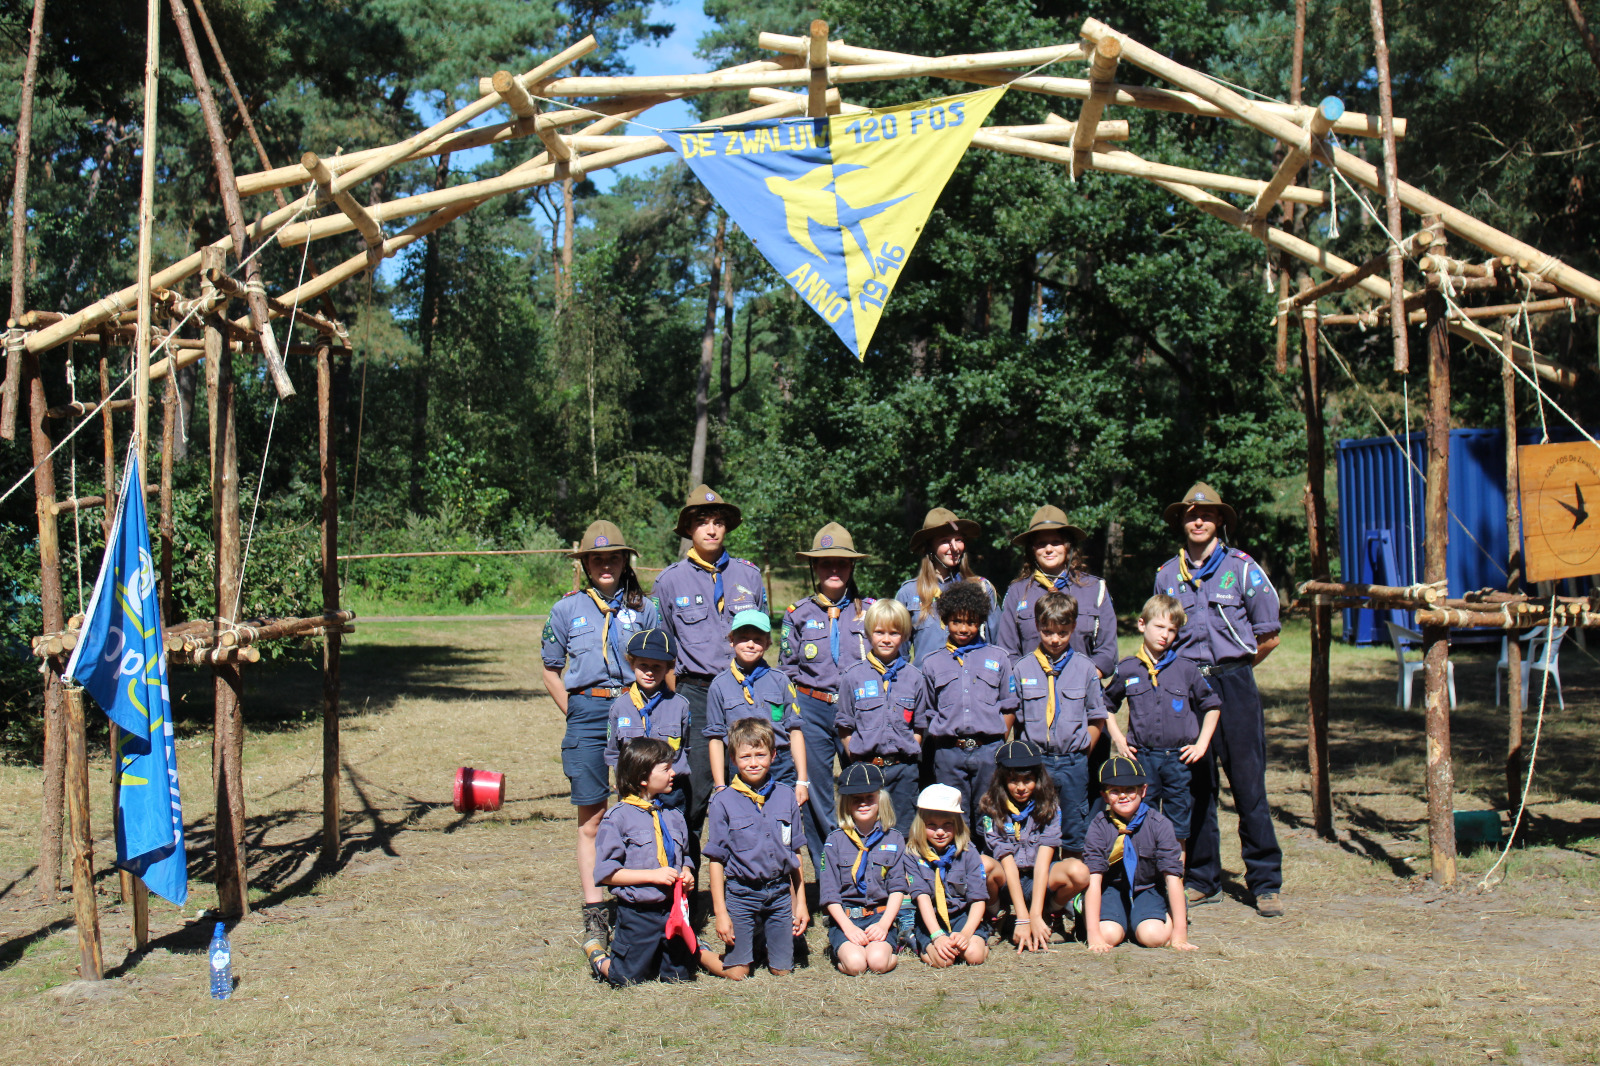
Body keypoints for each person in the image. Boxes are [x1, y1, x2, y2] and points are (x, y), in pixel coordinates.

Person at [1154, 482, 1284, 917]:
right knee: (1197, 785)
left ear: (1220, 522)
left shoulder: (1243, 569)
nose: (1198, 520)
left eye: (1207, 515)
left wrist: (1238, 670)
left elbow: (1269, 636)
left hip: (1234, 685)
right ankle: (1203, 878)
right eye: (1191, 514)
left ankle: (1265, 881)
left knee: (1248, 784)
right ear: (1181, 522)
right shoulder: (1167, 575)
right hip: (1188, 688)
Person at [539, 520, 662, 945]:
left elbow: (666, 665)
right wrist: (575, 711)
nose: (605, 564)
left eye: (613, 557)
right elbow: (551, 669)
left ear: (624, 561)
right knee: (591, 818)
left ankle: (644, 898)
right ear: (586, 564)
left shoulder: (646, 608)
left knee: (643, 808)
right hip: (588, 712)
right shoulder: (565, 609)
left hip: (635, 706)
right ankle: (595, 909)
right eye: (597, 558)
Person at [653, 485, 767, 853]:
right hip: (696, 694)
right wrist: (677, 697)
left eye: (718, 522)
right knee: (696, 790)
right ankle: (688, 885)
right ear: (689, 529)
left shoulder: (749, 576)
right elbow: (664, 651)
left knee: (749, 781)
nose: (712, 529)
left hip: (743, 689)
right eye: (703, 522)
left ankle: (745, 886)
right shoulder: (670, 581)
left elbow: (761, 636)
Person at [779, 522, 871, 874]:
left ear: (852, 568)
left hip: (859, 709)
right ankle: (831, 869)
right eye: (826, 563)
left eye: (842, 563)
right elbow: (786, 669)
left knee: (862, 784)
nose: (834, 570)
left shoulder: (870, 611)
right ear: (814, 568)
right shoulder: (797, 614)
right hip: (812, 708)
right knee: (815, 792)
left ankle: (864, 862)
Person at [1103, 594, 1221, 856]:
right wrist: (1119, 740)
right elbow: (1106, 706)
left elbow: (1212, 706)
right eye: (1159, 627)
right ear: (1142, 624)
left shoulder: (1186, 669)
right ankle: (1148, 880)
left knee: (1178, 824)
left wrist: (1201, 744)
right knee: (1142, 818)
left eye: (1172, 630)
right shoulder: (1128, 669)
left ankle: (1174, 883)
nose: (1165, 635)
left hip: (1178, 760)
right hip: (1142, 759)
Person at [698, 718, 807, 980]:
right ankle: (697, 950)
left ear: (773, 754)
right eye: (745, 757)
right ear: (733, 759)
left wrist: (800, 903)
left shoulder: (785, 796)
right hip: (741, 894)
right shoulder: (723, 802)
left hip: (780, 893)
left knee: (783, 970)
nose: (754, 762)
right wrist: (721, 913)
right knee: (738, 972)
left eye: (760, 755)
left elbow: (796, 854)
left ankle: (763, 940)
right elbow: (716, 860)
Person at [583, 738, 698, 985]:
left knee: (678, 977)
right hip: (638, 914)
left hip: (672, 911)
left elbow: (685, 856)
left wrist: (687, 872)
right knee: (624, 978)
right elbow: (606, 874)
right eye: (666, 769)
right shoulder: (618, 818)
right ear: (643, 777)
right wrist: (652, 875)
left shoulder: (674, 816)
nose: (673, 773)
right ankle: (597, 954)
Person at [1010, 592, 1109, 871]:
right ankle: (1044, 890)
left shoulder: (1086, 668)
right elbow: (1017, 720)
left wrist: (1083, 751)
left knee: (1074, 826)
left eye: (1063, 633)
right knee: (1038, 825)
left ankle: (1072, 889)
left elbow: (1096, 717)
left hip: (1073, 762)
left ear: (1074, 627)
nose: (1055, 639)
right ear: (1037, 627)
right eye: (1048, 631)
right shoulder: (1022, 668)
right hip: (1036, 763)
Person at [918, 581, 1017, 829]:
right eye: (957, 621)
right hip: (949, 754)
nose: (964, 629)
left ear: (981, 621)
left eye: (971, 622)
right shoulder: (932, 663)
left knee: (989, 814)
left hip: (988, 751)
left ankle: (988, 864)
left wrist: (998, 740)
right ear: (946, 621)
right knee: (953, 816)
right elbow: (929, 709)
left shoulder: (999, 658)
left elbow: (1008, 705)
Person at [977, 740, 1084, 951]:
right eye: (1013, 780)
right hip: (1007, 879)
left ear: (1038, 779)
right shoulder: (992, 806)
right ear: (1001, 780)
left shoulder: (1049, 805)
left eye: (1028, 780)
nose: (1020, 787)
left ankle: (1049, 913)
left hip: (1039, 877)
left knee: (1078, 871)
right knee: (982, 865)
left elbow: (1044, 862)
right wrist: (1023, 918)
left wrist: (1034, 913)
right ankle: (998, 914)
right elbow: (1005, 860)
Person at [1082, 756, 1194, 953]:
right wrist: (1093, 935)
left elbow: (1173, 876)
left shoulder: (1159, 825)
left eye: (1130, 790)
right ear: (1105, 796)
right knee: (1108, 935)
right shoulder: (1099, 826)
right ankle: (1120, 918)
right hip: (1112, 889)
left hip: (1148, 887)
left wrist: (1180, 933)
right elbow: (1094, 879)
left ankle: (1162, 914)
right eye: (1114, 791)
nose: (1123, 796)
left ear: (1143, 790)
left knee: (1153, 936)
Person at [836, 597, 928, 829]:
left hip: (903, 771)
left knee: (904, 830)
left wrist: (907, 750)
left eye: (894, 633)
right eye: (879, 632)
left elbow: (919, 725)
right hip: (867, 770)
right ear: (868, 634)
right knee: (868, 830)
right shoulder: (852, 676)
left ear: (905, 635)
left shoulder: (915, 677)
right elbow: (845, 725)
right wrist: (856, 758)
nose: (886, 639)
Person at [994, 506, 1118, 676]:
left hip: (1082, 693)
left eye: (1056, 542)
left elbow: (1108, 653)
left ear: (1069, 547)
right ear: (1032, 549)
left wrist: (1083, 680)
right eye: (1041, 544)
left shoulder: (1095, 589)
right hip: (1032, 694)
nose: (1049, 549)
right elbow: (1007, 653)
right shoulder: (1016, 593)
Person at [704, 609, 808, 803]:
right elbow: (716, 738)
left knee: (782, 823)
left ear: (768, 643)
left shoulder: (781, 681)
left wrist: (802, 780)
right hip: (740, 766)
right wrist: (720, 786)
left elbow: (794, 730)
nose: (750, 644)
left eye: (758, 639)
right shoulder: (719, 685)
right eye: (744, 638)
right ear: (731, 640)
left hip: (780, 764)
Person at [818, 762, 907, 975]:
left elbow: (898, 888)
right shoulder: (834, 842)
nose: (864, 804)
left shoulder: (894, 838)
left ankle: (893, 948)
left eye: (870, 798)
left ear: (880, 800)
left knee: (877, 963)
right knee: (856, 965)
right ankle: (842, 950)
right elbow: (830, 894)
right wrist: (848, 928)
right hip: (847, 918)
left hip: (879, 916)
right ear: (846, 804)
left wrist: (884, 925)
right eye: (857, 800)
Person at [895, 507, 998, 665]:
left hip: (971, 684)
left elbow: (997, 644)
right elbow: (899, 656)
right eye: (945, 541)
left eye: (958, 539)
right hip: (927, 687)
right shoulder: (909, 593)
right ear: (930, 546)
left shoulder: (981, 589)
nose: (954, 547)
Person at [605, 629, 690, 811]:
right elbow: (613, 752)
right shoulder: (620, 707)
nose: (649, 672)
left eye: (657, 666)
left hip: (671, 790)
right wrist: (621, 780)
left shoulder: (680, 706)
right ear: (631, 663)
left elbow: (685, 748)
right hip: (633, 790)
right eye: (643, 665)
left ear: (668, 667)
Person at [907, 783, 989, 968]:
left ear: (957, 825)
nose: (940, 832)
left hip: (962, 916)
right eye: (932, 826)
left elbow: (978, 898)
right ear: (920, 825)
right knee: (944, 961)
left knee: (974, 956)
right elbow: (922, 898)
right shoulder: (913, 855)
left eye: (947, 825)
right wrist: (937, 935)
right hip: (931, 919)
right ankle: (917, 943)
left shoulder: (969, 852)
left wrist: (966, 933)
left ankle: (980, 941)